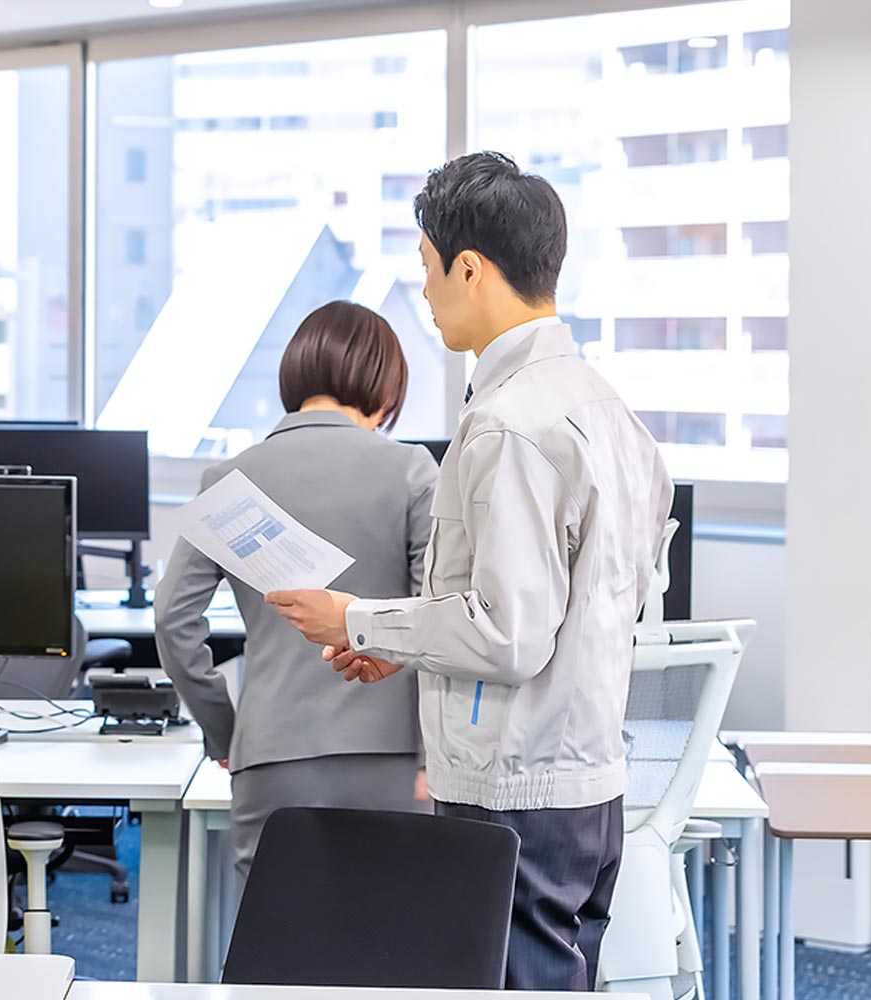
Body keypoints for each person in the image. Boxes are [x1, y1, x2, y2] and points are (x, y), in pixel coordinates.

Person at [268, 153, 673, 991]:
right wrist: (413, 648)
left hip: (514, 785)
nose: (423, 292)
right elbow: (581, 614)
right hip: (587, 785)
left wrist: (357, 620)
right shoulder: (607, 408)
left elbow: (509, 633)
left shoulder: (508, 424)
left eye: (425, 269)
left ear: (470, 268)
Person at [154, 300, 439, 886]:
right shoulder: (413, 471)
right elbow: (437, 622)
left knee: (277, 945)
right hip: (392, 754)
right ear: (384, 390)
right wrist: (436, 756)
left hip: (270, 753)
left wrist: (226, 730)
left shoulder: (228, 480)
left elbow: (172, 621)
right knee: (396, 946)